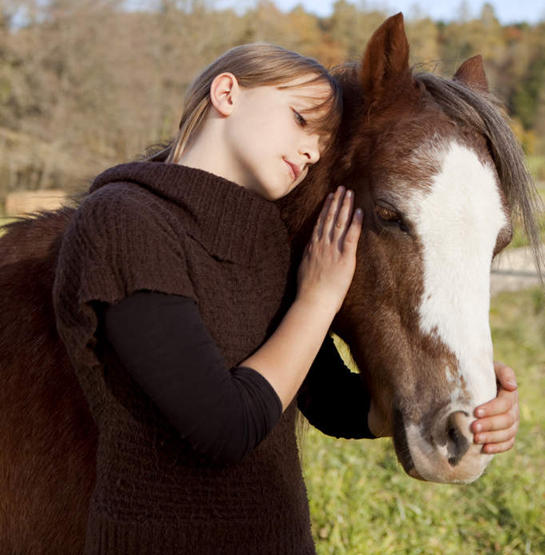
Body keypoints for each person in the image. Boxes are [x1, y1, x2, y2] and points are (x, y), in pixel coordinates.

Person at [53, 43, 519, 555]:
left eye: (323, 142)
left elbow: (327, 401)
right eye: (300, 119)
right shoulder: (123, 221)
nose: (312, 152)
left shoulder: (271, 242)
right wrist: (317, 299)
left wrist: (448, 404)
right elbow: (222, 428)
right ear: (227, 93)